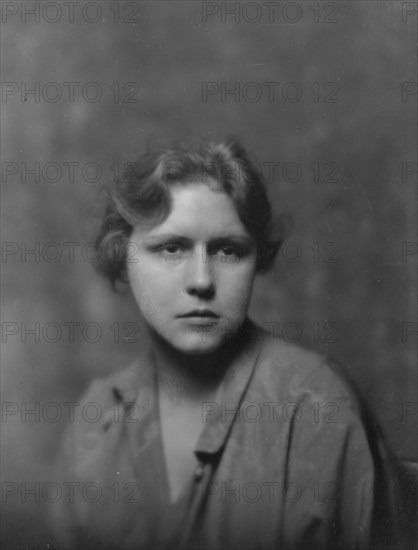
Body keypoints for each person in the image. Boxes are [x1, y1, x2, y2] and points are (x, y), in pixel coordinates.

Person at [50, 137, 402, 550]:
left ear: (256, 260)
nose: (201, 280)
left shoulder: (318, 407)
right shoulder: (97, 417)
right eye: (171, 248)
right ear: (122, 259)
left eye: (228, 251)